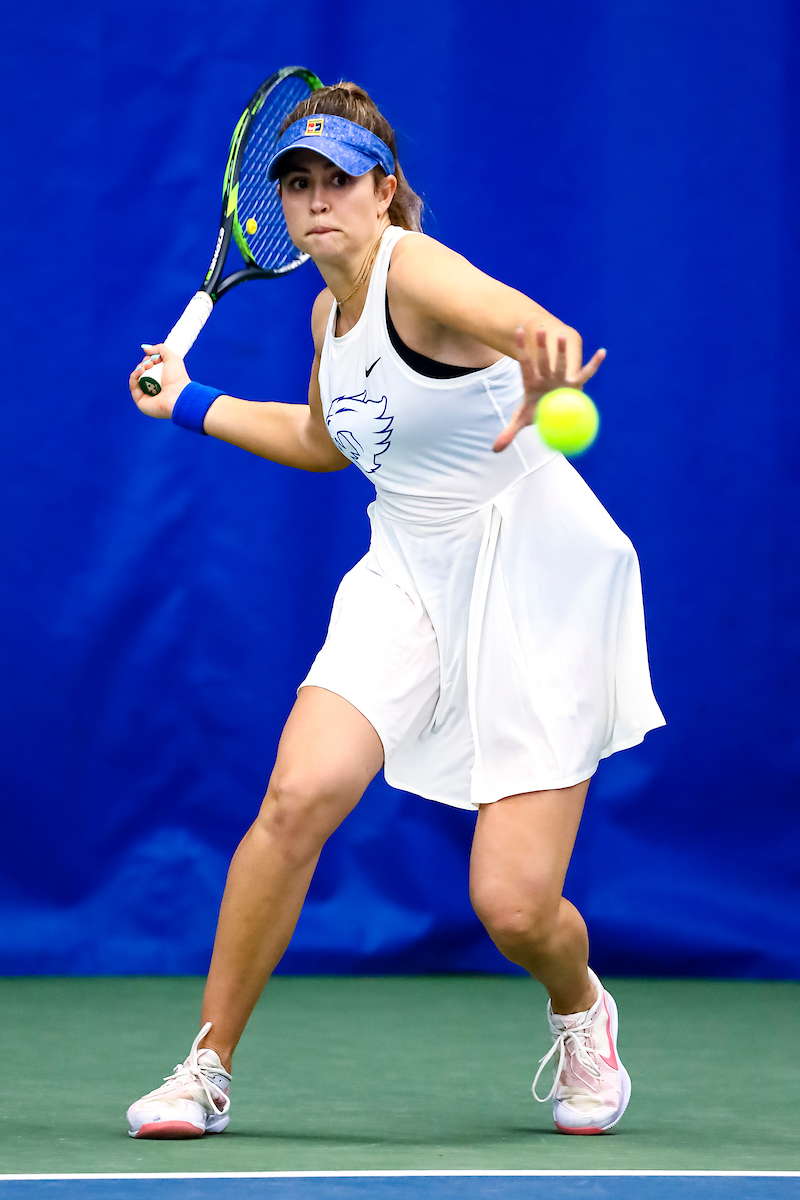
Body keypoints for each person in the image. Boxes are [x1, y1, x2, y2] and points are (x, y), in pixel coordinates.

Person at [125, 82, 665, 1141]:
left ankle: (578, 1004)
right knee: (297, 794)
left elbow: (519, 321)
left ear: (381, 192)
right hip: (405, 571)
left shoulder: (415, 269)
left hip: (532, 575)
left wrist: (542, 347)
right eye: (296, 181)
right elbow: (333, 440)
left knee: (512, 909)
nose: (316, 197)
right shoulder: (327, 311)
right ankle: (204, 1067)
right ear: (278, 205)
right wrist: (189, 401)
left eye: (337, 179)